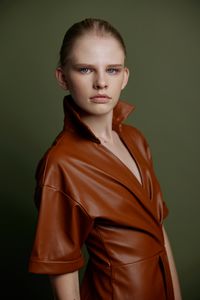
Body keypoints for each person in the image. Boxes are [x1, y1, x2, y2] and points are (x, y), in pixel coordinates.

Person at [29, 18, 182, 300]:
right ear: (63, 77)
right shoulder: (61, 163)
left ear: (124, 77)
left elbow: (158, 228)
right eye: (85, 69)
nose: (101, 82)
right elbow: (62, 265)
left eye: (111, 70)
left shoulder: (136, 139)